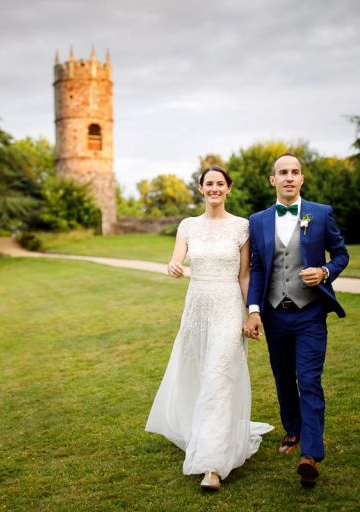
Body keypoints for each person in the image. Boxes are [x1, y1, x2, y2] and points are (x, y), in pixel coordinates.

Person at [146, 165, 273, 491]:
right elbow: (177, 259)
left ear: (228, 189)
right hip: (197, 310)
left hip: (228, 308)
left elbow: (244, 276)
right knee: (201, 375)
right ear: (201, 189)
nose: (214, 188)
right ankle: (204, 432)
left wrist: (252, 313)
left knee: (219, 378)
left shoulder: (241, 228)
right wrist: (173, 266)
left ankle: (212, 466)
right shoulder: (187, 226)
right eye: (209, 184)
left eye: (220, 183)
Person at [243, 153, 349, 487]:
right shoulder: (257, 220)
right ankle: (293, 429)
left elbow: (341, 254)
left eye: (295, 172)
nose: (289, 177)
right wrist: (254, 309)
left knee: (310, 379)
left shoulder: (320, 214)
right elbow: (258, 268)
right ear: (273, 180)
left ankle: (310, 455)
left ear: (302, 179)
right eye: (282, 173)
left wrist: (325, 271)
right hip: (275, 315)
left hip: (310, 314)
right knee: (283, 378)